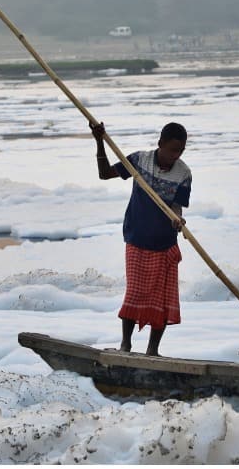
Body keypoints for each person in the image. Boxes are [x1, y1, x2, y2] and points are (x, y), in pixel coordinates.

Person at [90, 121, 191, 356]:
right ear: (160, 144)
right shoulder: (139, 161)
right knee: (135, 293)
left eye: (181, 151)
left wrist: (178, 219)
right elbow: (105, 174)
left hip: (165, 243)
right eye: (173, 150)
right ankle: (125, 345)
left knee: (164, 299)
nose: (176, 156)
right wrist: (99, 141)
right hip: (137, 238)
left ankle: (152, 351)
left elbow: (176, 207)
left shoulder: (183, 173)